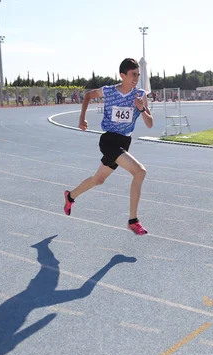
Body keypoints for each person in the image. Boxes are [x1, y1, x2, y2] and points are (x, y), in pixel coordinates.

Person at [63, 58, 153, 235]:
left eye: (138, 75)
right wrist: (82, 118)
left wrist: (142, 109)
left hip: (124, 142)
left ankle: (70, 196)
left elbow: (150, 123)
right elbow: (88, 95)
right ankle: (133, 220)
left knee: (99, 179)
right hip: (109, 141)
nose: (136, 78)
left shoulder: (140, 95)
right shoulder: (109, 91)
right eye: (133, 74)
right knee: (140, 171)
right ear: (122, 75)